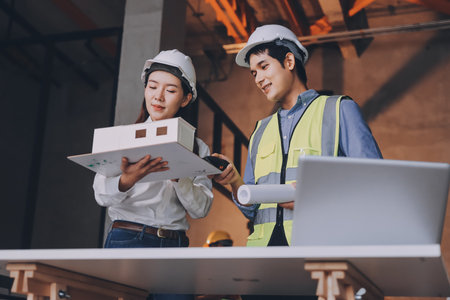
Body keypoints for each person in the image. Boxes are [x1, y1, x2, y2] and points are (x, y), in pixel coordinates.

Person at [212, 24, 382, 249]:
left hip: (319, 249)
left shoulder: (339, 110)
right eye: (254, 73)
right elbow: (252, 210)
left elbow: (376, 183)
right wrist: (235, 181)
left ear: (289, 62)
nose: (258, 79)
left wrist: (313, 196)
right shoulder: (260, 131)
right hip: (264, 257)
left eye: (264, 66)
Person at [93, 49, 214, 300]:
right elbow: (101, 195)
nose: (158, 97)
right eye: (152, 86)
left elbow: (201, 209)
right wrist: (128, 179)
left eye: (170, 90)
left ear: (185, 98)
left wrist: (180, 176)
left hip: (174, 247)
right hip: (127, 241)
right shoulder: (122, 137)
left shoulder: (198, 148)